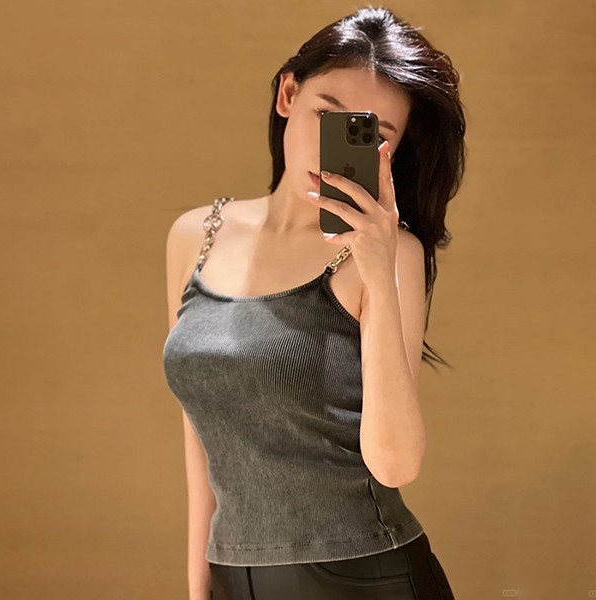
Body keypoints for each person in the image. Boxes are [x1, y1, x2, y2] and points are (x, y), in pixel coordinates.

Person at [163, 5, 466, 599]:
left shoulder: (393, 255)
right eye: (327, 115)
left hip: (364, 578)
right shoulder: (195, 235)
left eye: (371, 135)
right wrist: (199, 586)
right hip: (233, 577)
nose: (334, 149)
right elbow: (200, 439)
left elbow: (396, 465)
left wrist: (378, 270)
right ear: (287, 95)